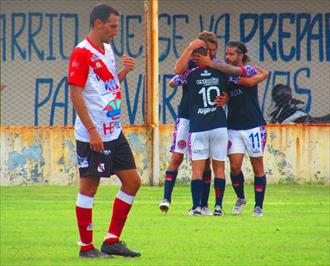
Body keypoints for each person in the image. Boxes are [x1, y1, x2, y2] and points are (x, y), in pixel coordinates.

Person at [68, 4, 141, 258]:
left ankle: (112, 240)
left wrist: (123, 72)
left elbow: (107, 86)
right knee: (89, 188)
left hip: (113, 132)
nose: (115, 31)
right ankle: (86, 247)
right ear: (98, 24)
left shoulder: (108, 50)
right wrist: (92, 130)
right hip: (93, 134)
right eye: (113, 26)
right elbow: (75, 92)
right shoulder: (82, 52)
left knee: (133, 182)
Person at [194, 41, 269, 217]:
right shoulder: (224, 75)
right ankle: (241, 197)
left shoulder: (247, 70)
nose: (227, 57)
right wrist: (224, 98)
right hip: (233, 126)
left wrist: (263, 75)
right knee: (235, 167)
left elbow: (251, 81)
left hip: (254, 126)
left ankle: (259, 206)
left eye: (231, 54)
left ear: (240, 56)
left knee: (257, 164)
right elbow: (224, 89)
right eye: (226, 54)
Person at [159, 32, 224, 216]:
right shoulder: (190, 64)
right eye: (206, 50)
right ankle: (166, 199)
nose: (209, 54)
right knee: (177, 157)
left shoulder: (216, 66)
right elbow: (176, 75)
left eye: (212, 51)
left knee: (206, 162)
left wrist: (225, 98)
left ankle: (202, 205)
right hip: (187, 117)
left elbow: (228, 83)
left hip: (206, 118)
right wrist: (189, 48)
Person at [185, 46, 229, 216]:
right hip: (218, 125)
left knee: (197, 169)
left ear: (195, 58)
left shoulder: (191, 75)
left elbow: (173, 81)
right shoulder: (220, 73)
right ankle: (218, 207)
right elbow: (232, 84)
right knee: (219, 166)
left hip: (198, 126)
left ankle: (196, 207)